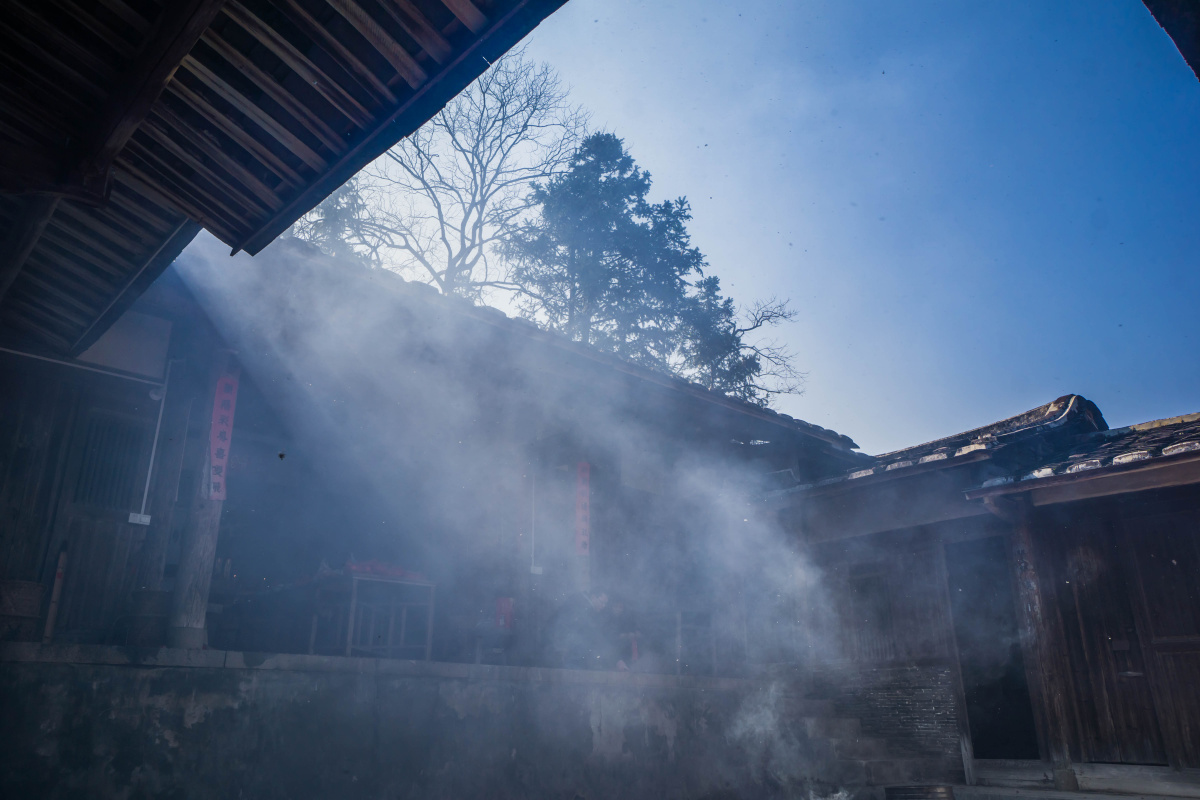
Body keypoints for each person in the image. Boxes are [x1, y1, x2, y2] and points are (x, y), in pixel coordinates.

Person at [548, 587, 625, 670]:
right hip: (567, 654)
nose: (603, 606)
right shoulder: (582, 607)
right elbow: (595, 635)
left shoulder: (582, 605)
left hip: (564, 652)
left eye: (605, 604)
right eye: (602, 602)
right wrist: (616, 660)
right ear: (593, 597)